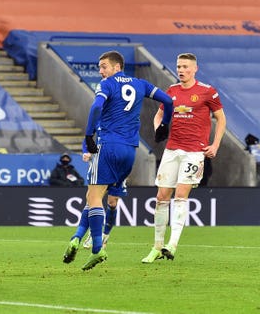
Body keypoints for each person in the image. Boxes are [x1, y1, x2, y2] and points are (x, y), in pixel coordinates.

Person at [62, 50, 173, 271]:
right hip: (131, 151)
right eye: (99, 67)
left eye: (104, 66)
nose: (100, 71)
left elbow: (96, 107)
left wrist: (88, 136)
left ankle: (97, 248)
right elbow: (168, 100)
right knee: (94, 196)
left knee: (94, 198)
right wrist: (164, 125)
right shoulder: (140, 84)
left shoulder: (107, 85)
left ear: (117, 67)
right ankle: (76, 238)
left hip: (108, 146)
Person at [141, 53, 226, 263]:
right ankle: (157, 246)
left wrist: (215, 145)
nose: (181, 70)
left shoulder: (207, 92)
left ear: (195, 69)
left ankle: (172, 244)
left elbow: (221, 119)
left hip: (194, 152)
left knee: (180, 195)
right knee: (161, 196)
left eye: (186, 67)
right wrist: (158, 128)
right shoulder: (171, 91)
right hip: (172, 150)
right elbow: (159, 114)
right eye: (179, 66)